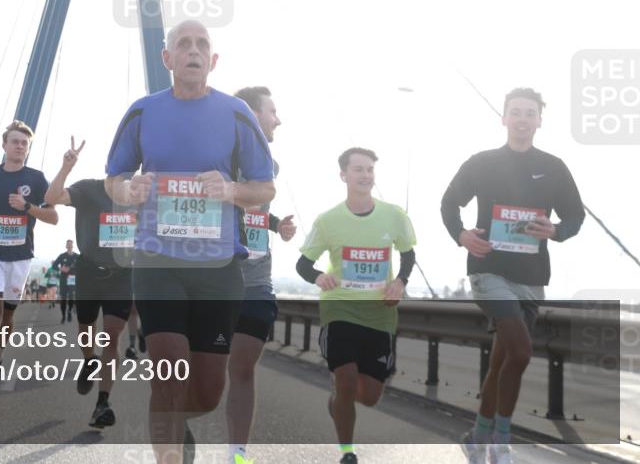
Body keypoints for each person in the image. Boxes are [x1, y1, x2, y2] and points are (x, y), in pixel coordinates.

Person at [105, 20, 275, 464]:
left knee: (207, 390)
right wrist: (128, 191)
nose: (193, 51)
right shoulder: (143, 112)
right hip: (157, 260)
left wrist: (232, 191)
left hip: (218, 269)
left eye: (202, 45)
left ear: (213, 61)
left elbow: (265, 188)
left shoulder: (236, 113)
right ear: (168, 59)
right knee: (168, 372)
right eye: (184, 44)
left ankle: (177, 426)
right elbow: (114, 178)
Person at [441, 88, 584, 464]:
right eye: (516, 112)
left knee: (505, 362)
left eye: (530, 113)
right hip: (488, 270)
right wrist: (461, 235)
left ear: (539, 120)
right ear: (503, 118)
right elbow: (448, 202)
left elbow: (575, 216)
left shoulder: (554, 167)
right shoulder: (482, 162)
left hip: (531, 275)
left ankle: (477, 437)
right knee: (521, 351)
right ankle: (501, 441)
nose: (522, 119)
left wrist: (556, 230)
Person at [296, 147, 417, 464]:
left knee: (370, 396)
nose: (365, 175)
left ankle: (339, 401)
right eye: (359, 169)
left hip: (379, 312)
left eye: (370, 170)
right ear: (343, 175)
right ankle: (347, 452)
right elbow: (303, 264)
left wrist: (400, 282)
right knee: (347, 376)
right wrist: (320, 276)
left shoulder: (394, 216)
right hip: (340, 309)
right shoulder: (328, 220)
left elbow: (408, 254)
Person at [226, 86, 297, 464]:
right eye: (273, 111)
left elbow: (250, 206)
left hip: (256, 280)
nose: (279, 119)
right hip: (215, 282)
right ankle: (180, 421)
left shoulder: (271, 165)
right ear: (252, 115)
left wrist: (274, 225)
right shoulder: (217, 156)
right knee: (203, 379)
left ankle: (237, 454)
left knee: (243, 366)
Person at [45, 136, 136, 429]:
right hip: (88, 271)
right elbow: (52, 198)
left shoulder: (141, 195)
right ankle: (88, 360)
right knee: (87, 330)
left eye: (130, 168)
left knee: (111, 336)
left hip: (122, 275)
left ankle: (102, 403)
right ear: (109, 166)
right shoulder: (88, 189)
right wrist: (65, 168)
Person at [0, 120, 58, 405]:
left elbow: (53, 216)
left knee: (8, 316)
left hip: (20, 256)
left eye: (24, 143)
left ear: (28, 149)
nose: (20, 146)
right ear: (5, 145)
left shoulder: (36, 179)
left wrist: (27, 207)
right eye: (15, 141)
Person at [53, 239, 79, 323]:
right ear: (66, 246)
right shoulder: (62, 256)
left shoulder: (77, 256)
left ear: (72, 246)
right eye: (68, 245)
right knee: (63, 298)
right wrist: (61, 268)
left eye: (71, 245)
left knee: (71, 296)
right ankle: (63, 315)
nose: (69, 246)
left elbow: (81, 267)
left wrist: (72, 269)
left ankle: (69, 311)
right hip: (63, 278)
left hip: (72, 278)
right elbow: (54, 265)